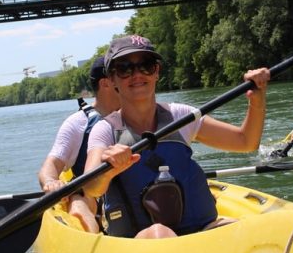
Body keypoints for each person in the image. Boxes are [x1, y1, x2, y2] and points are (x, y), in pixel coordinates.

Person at [82, 35, 270, 239]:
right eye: (125, 68)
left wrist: (257, 100)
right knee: (160, 232)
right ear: (111, 79)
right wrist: (108, 171)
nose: (137, 75)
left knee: (252, 229)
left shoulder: (181, 116)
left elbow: (246, 142)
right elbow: (91, 187)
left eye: (146, 65)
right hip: (139, 243)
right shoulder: (105, 130)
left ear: (156, 72)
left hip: (198, 233)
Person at [37, 56, 120, 232]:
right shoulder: (77, 123)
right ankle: (91, 238)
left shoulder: (139, 116)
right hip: (92, 199)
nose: (132, 79)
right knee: (77, 199)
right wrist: (51, 182)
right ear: (105, 83)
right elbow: (51, 164)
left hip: (132, 193)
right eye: (123, 73)